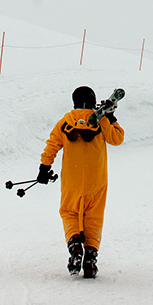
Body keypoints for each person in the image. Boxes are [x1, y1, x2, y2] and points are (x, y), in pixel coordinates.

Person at [36, 85, 125, 278]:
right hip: (97, 180)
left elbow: (52, 145)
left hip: (72, 181)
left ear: (74, 102)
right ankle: (91, 258)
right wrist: (110, 117)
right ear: (94, 102)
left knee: (69, 212)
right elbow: (117, 139)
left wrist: (44, 168)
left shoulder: (65, 122)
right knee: (93, 217)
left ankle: (75, 246)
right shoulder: (100, 121)